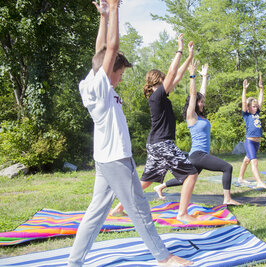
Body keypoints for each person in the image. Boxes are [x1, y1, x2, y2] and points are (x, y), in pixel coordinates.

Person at [68, 1, 192, 266]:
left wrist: (102, 16)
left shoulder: (93, 82)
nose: (121, 78)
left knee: (95, 214)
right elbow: (109, 50)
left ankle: (73, 263)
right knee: (138, 208)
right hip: (115, 158)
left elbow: (100, 51)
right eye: (120, 73)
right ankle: (163, 257)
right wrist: (114, 8)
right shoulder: (100, 87)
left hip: (105, 158)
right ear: (109, 71)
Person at [111, 34, 199, 222]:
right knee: (191, 174)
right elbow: (173, 72)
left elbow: (178, 75)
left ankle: (119, 208)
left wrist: (190, 57)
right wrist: (180, 50)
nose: (169, 80)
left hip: (155, 144)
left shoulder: (160, 97)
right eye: (165, 79)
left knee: (147, 180)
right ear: (158, 81)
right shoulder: (157, 96)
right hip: (162, 143)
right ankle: (183, 214)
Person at [151, 63, 241, 205]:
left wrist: (204, 77)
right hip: (198, 155)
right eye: (201, 102)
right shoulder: (191, 116)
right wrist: (192, 76)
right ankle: (227, 199)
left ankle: (160, 186)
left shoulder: (200, 116)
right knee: (227, 167)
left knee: (187, 178)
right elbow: (194, 95)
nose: (203, 104)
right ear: (194, 103)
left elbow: (200, 94)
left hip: (197, 155)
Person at [237, 75, 266, 189]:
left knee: (246, 160)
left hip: (257, 142)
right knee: (254, 161)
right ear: (249, 107)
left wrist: (261, 89)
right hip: (250, 142)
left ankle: (240, 178)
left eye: (256, 107)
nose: (256, 108)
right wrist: (244, 89)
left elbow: (260, 100)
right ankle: (259, 182)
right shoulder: (246, 115)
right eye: (254, 106)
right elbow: (243, 101)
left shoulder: (256, 114)